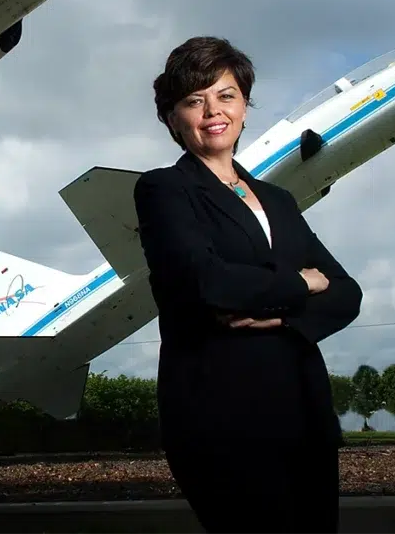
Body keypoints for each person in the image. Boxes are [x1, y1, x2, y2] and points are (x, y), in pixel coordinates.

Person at [133, 36, 363, 533]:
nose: (213, 111)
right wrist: (303, 284)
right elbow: (208, 282)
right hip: (221, 418)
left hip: (304, 413)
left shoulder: (277, 199)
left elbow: (347, 291)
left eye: (226, 95)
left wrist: (281, 309)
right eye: (194, 100)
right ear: (172, 118)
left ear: (244, 106)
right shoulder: (163, 191)